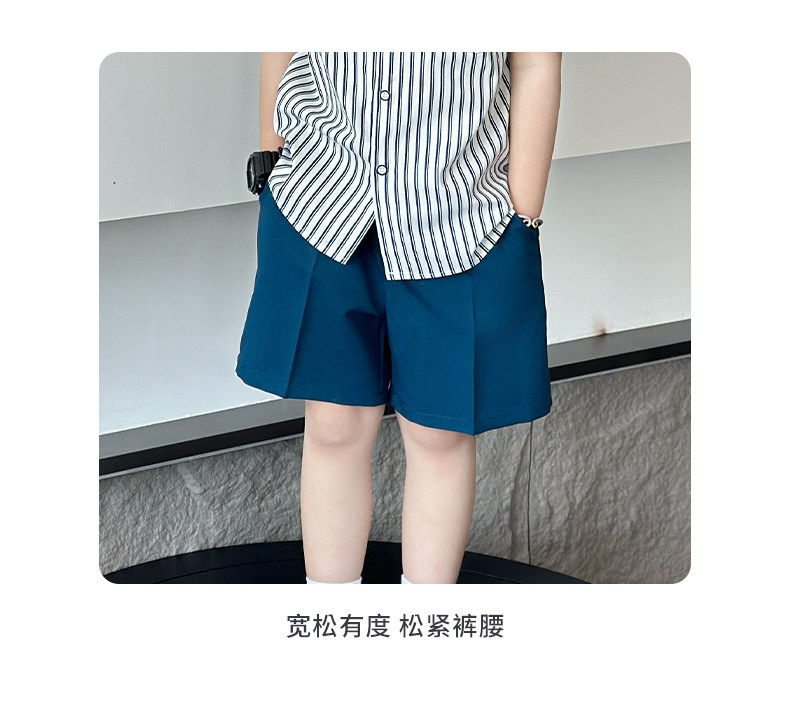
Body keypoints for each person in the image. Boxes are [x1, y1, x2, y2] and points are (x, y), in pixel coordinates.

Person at [236, 52, 562, 584]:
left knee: (441, 434)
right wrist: (270, 155)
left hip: (462, 215)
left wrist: (523, 214)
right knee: (334, 425)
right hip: (320, 195)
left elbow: (536, 60)